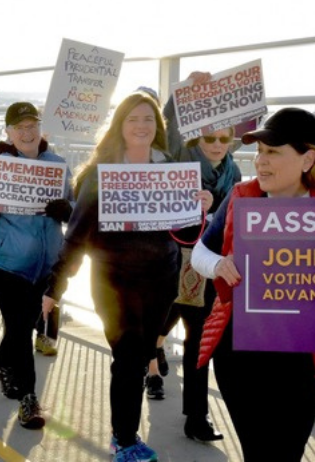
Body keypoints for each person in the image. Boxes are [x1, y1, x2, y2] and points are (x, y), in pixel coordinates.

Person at [191, 107, 315, 460]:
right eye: (260, 152)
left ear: (307, 158)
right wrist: (220, 264)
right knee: (257, 451)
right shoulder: (241, 197)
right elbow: (199, 253)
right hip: (240, 352)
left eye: (273, 152)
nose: (261, 162)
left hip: (302, 360)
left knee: (286, 451)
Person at [55, 91, 210, 462]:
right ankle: (123, 439)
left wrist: (200, 206)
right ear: (119, 126)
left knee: (140, 358)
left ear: (157, 127)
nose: (141, 126)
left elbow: (186, 235)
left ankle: (126, 434)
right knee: (126, 359)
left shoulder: (171, 167)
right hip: (114, 282)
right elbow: (78, 233)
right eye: (133, 119)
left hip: (161, 278)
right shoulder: (99, 173)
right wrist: (55, 285)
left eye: (148, 119)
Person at [0, 101, 70, 430]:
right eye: (19, 127)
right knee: (22, 327)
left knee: (22, 324)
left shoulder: (58, 165)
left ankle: (1, 362)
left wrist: (67, 210)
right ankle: (28, 398)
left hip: (47, 264)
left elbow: (76, 210)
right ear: (7, 131)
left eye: (32, 125)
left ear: (41, 128)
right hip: (6, 264)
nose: (27, 133)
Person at [144, 99, 239, 440]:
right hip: (173, 260)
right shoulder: (180, 160)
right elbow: (168, 130)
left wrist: (219, 209)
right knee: (163, 318)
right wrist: (180, 96)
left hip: (210, 266)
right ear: (197, 139)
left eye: (223, 139)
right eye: (209, 138)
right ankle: (153, 351)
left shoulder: (235, 173)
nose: (216, 145)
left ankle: (196, 418)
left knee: (199, 340)